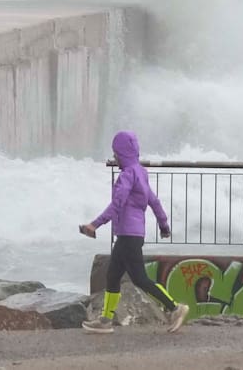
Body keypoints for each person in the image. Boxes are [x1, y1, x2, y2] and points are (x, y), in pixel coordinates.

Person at [80, 131, 190, 334]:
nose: (114, 158)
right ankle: (105, 320)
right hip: (131, 235)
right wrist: (164, 225)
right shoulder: (140, 172)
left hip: (128, 236)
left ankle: (175, 308)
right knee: (112, 276)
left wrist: (94, 224)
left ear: (122, 154)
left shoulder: (127, 175)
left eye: (115, 154)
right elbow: (154, 201)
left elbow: (117, 204)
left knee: (140, 279)